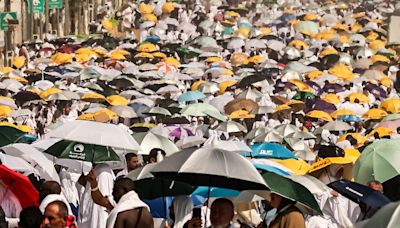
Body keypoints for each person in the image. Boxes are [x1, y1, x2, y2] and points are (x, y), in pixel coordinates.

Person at [77, 163, 115, 228]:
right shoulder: (92, 169)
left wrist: (94, 184)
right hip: (89, 207)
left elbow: (103, 197)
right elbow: (82, 183)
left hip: (99, 210)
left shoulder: (104, 171)